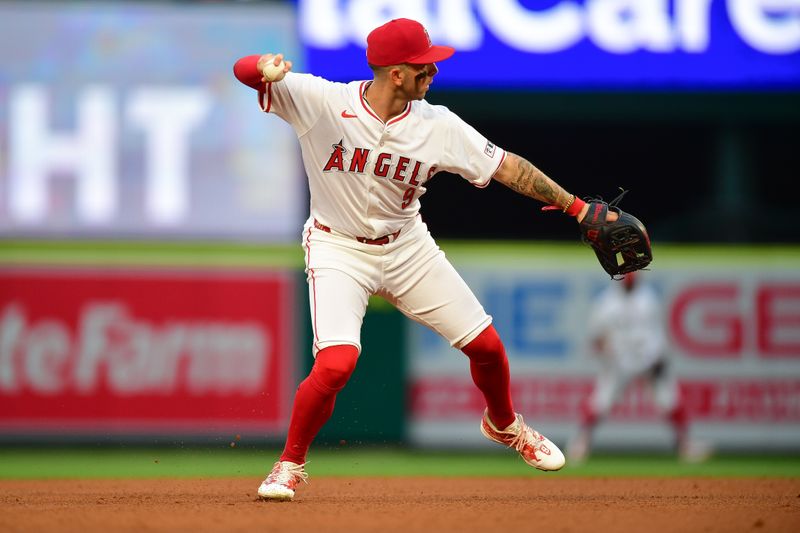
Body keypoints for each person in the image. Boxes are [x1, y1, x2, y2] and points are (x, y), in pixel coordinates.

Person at [233, 18, 615, 501]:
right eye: (423, 64)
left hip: (406, 245)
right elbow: (243, 71)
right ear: (395, 72)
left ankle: (505, 425)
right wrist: (261, 67)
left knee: (488, 348)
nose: (433, 70)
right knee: (335, 366)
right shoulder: (323, 102)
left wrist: (577, 207)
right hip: (337, 246)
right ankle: (289, 464)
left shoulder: (438, 124)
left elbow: (508, 167)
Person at [567, 272, 709, 463]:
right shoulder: (606, 303)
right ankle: (581, 443)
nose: (630, 281)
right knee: (600, 402)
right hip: (619, 364)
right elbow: (596, 338)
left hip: (648, 361)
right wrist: (606, 353)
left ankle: (686, 446)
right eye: (627, 278)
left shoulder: (648, 298)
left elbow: (657, 333)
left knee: (670, 400)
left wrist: (660, 356)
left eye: (632, 277)